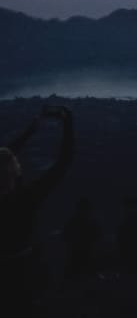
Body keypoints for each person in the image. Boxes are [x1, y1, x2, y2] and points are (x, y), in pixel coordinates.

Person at [1, 104, 75, 314]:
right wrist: (68, 123)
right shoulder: (26, 198)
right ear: (15, 171)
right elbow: (63, 162)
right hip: (23, 272)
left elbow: (6, 155)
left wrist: (31, 129)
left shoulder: (22, 196)